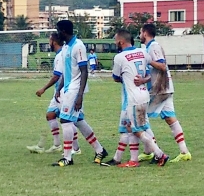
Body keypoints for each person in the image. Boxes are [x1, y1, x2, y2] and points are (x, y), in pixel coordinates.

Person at [102, 29, 169, 167]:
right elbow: (151, 73)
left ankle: (160, 154)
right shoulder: (143, 52)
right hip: (144, 94)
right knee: (128, 127)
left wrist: (127, 77)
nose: (115, 43)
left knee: (137, 130)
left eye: (116, 41)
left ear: (121, 41)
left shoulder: (119, 57)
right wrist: (144, 79)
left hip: (132, 98)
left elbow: (115, 78)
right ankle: (125, 159)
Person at [52, 20, 108, 167]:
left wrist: (80, 95)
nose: (57, 34)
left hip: (75, 89)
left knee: (65, 120)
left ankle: (67, 157)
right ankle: (100, 150)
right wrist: (58, 88)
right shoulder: (65, 48)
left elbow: (84, 71)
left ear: (63, 31)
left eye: (58, 30)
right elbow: (66, 71)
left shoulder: (78, 46)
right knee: (78, 120)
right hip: (67, 89)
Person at [136, 23, 191, 163]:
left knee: (140, 117)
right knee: (170, 118)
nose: (139, 35)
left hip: (160, 89)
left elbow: (162, 65)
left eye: (140, 32)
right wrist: (144, 79)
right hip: (166, 88)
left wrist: (148, 60)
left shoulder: (153, 47)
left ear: (145, 33)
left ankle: (153, 151)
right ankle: (184, 151)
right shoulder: (149, 47)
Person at [27, 33, 81, 155]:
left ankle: (76, 148)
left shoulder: (61, 55)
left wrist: (43, 89)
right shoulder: (61, 53)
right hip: (58, 91)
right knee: (50, 115)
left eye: (49, 41)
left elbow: (57, 76)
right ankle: (56, 145)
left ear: (53, 42)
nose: (48, 43)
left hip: (64, 91)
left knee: (68, 120)